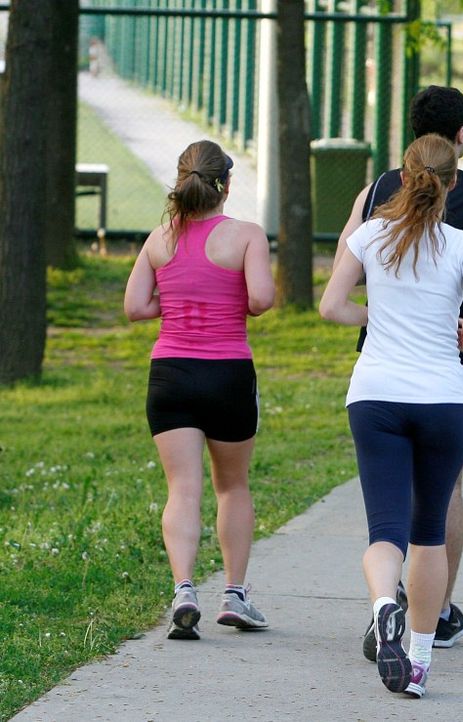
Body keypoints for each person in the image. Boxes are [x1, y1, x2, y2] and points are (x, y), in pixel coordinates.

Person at [334, 85, 463, 659]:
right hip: (450, 361)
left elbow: (345, 267)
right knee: (445, 494)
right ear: (461, 136)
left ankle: (385, 602)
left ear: (411, 137)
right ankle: (436, 612)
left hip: (381, 361)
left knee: (387, 502)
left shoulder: (373, 196)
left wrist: (382, 299)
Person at [123, 140, 275, 641]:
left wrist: (178, 298)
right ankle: (234, 594)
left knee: (182, 488)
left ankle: (184, 590)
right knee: (231, 485)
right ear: (226, 185)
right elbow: (260, 300)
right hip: (227, 374)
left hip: (170, 375)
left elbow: (136, 307)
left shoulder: (159, 239)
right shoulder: (246, 236)